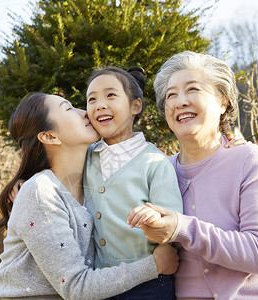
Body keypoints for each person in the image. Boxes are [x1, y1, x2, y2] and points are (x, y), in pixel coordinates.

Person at [127, 51, 258, 299]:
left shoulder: (249, 160)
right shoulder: (160, 171)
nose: (180, 101)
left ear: (223, 101)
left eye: (192, 89)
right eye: (171, 95)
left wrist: (181, 228)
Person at [0, 92, 179, 300]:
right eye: (69, 109)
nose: (85, 112)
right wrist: (155, 265)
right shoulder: (41, 192)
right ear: (50, 136)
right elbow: (76, 287)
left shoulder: (94, 181)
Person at [83, 66, 183, 299]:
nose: (100, 104)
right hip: (99, 282)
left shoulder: (154, 162)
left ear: (135, 106)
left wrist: (154, 219)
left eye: (110, 95)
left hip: (149, 283)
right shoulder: (85, 156)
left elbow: (173, 222)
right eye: (92, 99)